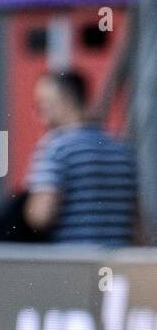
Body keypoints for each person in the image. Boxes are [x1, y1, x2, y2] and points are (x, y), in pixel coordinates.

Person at [24, 70, 139, 247]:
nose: (39, 115)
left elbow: (41, 215)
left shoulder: (57, 147)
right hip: (117, 264)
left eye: (43, 105)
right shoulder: (121, 148)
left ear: (64, 101)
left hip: (71, 262)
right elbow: (137, 217)